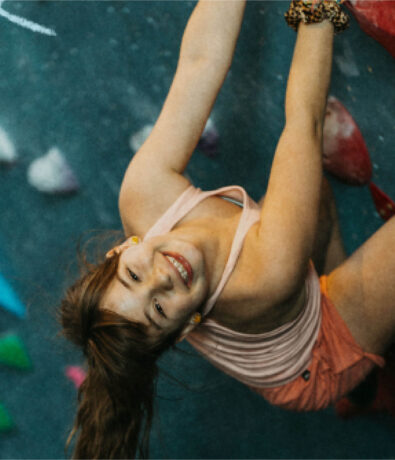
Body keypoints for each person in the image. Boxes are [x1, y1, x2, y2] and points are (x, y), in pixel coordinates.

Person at [59, 1, 394, 458]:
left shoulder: (143, 196)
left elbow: (199, 63)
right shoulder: (264, 276)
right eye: (159, 309)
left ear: (117, 251)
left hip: (285, 289)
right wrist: (317, 9)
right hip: (317, 358)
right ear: (184, 331)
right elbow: (303, 122)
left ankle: (356, 297)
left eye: (134, 277)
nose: (162, 277)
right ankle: (368, 383)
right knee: (297, 183)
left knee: (305, 196)